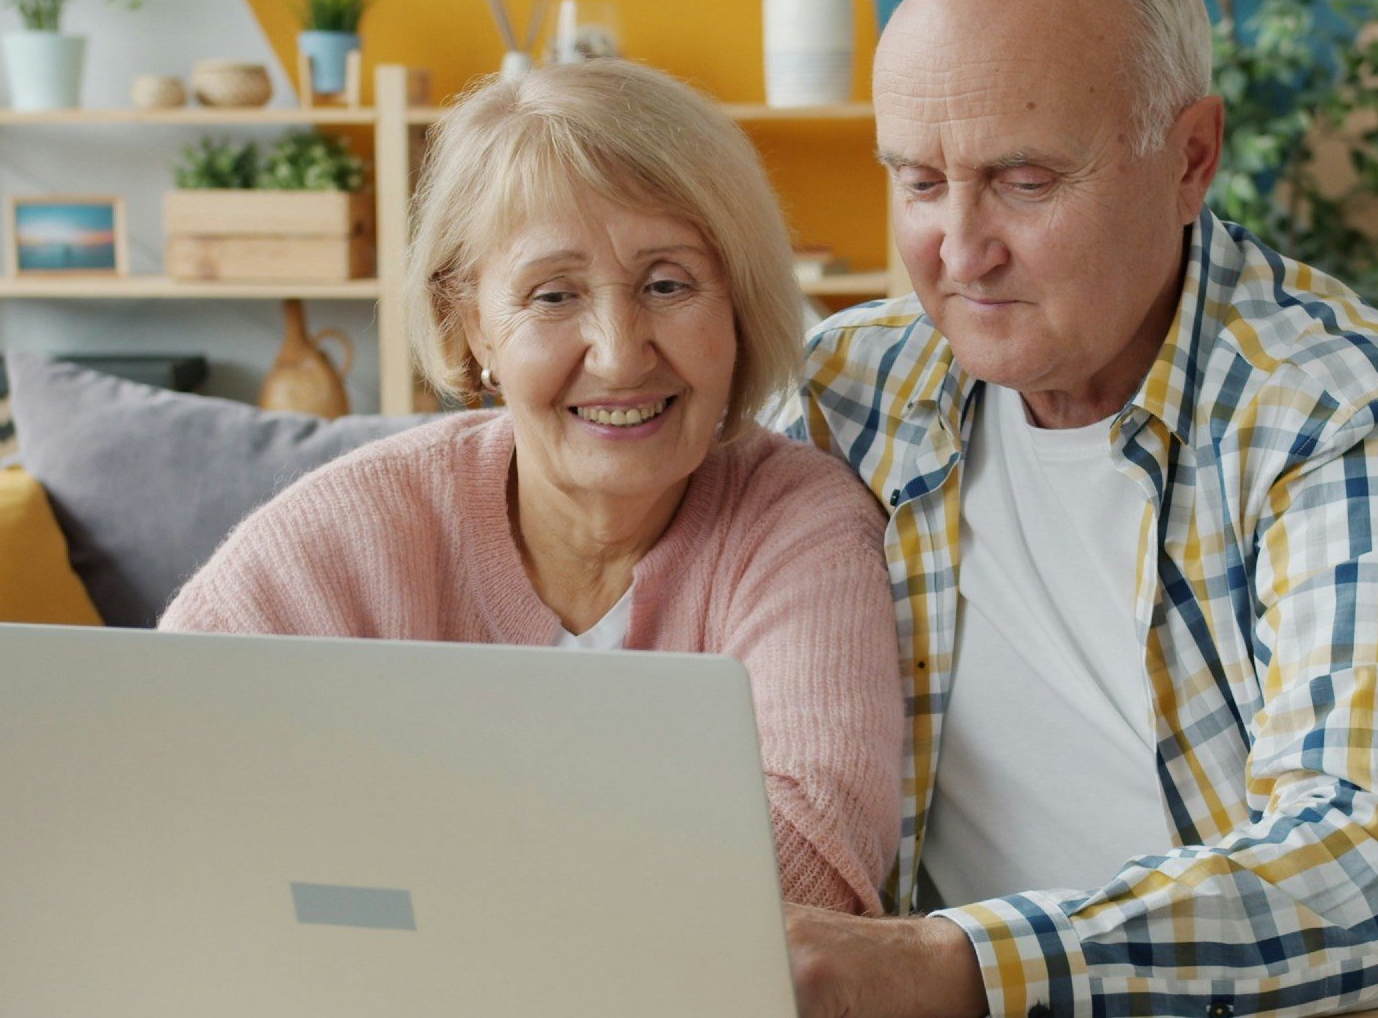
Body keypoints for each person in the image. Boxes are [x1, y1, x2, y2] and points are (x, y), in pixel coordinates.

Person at [776, 0, 1378, 1013]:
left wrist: (958, 964)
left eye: (1025, 180)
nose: (960, 250)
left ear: (1190, 159)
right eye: (920, 181)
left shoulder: (1347, 413)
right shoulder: (849, 393)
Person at [160, 59, 903, 915]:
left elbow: (810, 865)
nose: (619, 355)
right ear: (472, 323)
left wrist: (402, 863)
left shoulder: (800, 523)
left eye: (668, 284)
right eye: (553, 296)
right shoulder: (358, 524)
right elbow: (161, 768)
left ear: (739, 306)